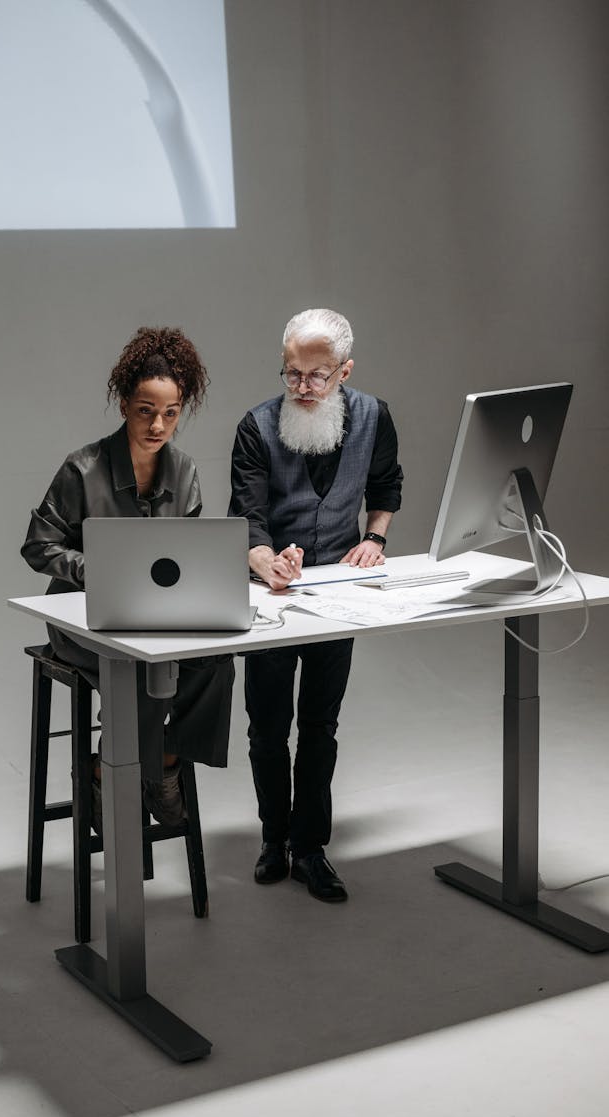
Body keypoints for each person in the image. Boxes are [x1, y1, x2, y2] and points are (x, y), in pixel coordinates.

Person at [22, 326, 235, 834]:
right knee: (142, 671)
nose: (158, 424)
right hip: (82, 618)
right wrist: (94, 571)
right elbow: (37, 546)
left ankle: (160, 760)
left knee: (216, 663)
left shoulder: (184, 473)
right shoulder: (83, 468)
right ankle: (115, 769)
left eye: (171, 412)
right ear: (124, 405)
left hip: (156, 617)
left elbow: (191, 557)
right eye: (145, 410)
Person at [229, 308, 403, 902]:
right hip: (270, 595)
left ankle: (310, 848)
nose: (302, 389)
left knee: (321, 726)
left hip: (339, 595)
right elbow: (247, 519)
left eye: (317, 377)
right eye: (291, 374)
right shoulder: (255, 426)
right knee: (267, 728)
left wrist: (374, 539)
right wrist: (267, 562)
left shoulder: (375, 418)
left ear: (344, 372)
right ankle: (273, 840)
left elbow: (386, 488)